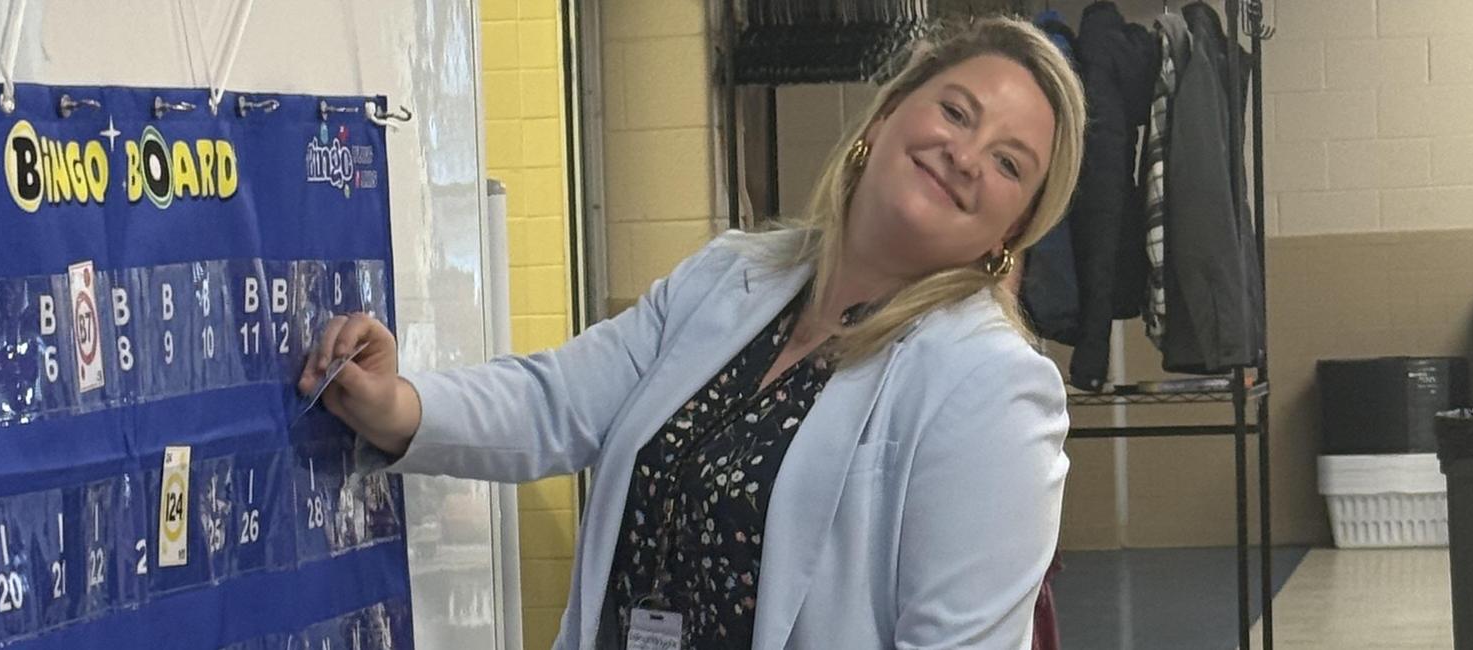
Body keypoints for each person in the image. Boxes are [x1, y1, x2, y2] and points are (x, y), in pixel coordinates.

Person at [302, 15, 1086, 650]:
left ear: (1011, 231)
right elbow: (562, 400)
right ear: (883, 119)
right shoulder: (731, 277)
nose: (965, 155)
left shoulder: (991, 386)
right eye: (955, 112)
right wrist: (399, 406)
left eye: (1009, 163)